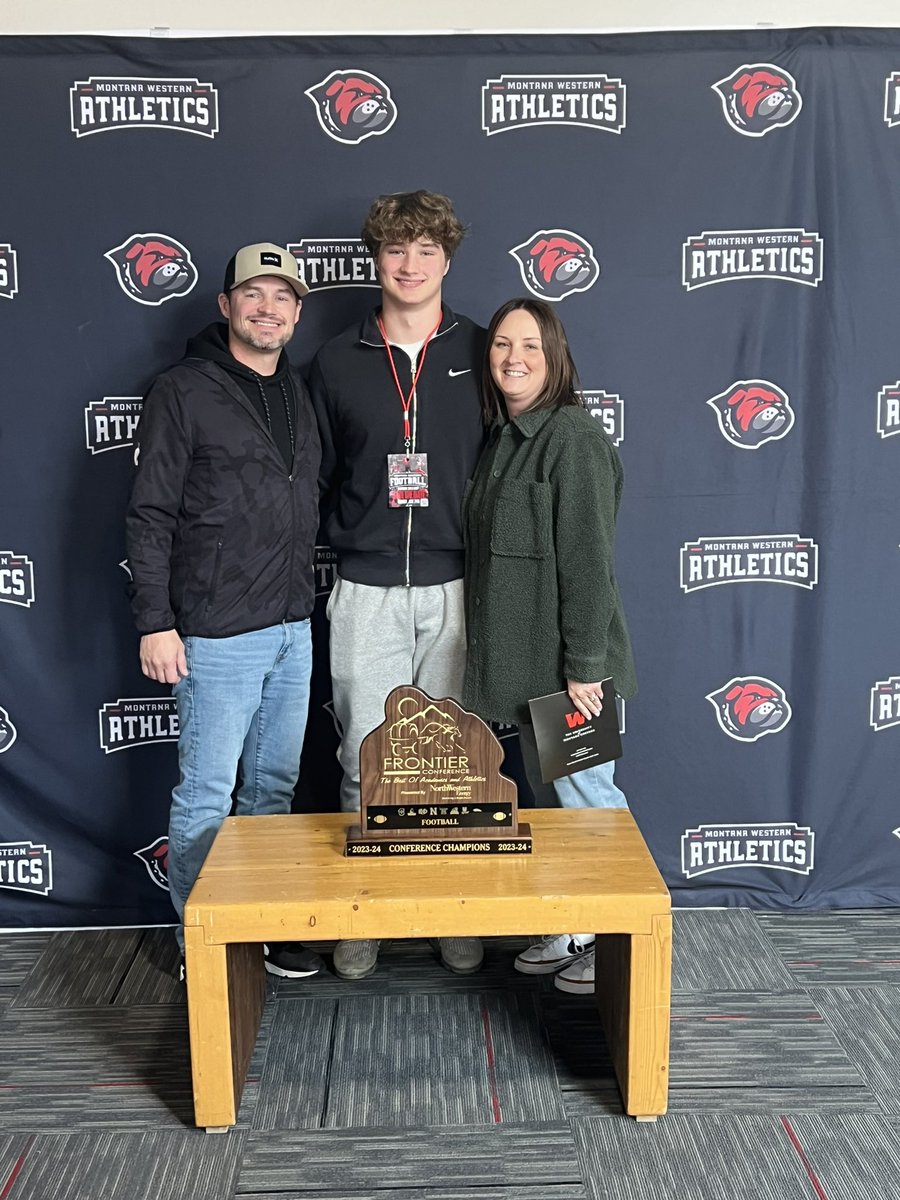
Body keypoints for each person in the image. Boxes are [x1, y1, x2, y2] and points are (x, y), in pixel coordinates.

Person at [126, 243, 323, 981]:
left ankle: (257, 928)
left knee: (270, 789)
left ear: (297, 314)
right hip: (214, 633)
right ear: (225, 305)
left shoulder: (298, 391)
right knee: (206, 794)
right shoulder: (184, 389)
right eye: (254, 294)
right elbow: (149, 514)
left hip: (291, 629)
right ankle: (202, 947)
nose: (267, 308)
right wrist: (155, 619)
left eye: (282, 297)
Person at [309, 191, 485, 980]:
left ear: (447, 260)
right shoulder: (336, 361)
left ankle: (451, 911)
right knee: (364, 758)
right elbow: (311, 479)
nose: (409, 265)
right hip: (365, 586)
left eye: (424, 250)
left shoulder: (485, 353)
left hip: (455, 586)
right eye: (394, 250)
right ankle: (367, 913)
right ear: (374, 260)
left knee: (452, 764)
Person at [462, 298, 637, 995]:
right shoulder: (505, 437)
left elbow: (590, 563)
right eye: (502, 344)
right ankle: (573, 926)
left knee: (590, 803)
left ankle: (618, 938)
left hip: (572, 676)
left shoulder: (573, 438)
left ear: (555, 355)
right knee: (558, 806)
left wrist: (585, 670)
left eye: (530, 346)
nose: (513, 358)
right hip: (529, 676)